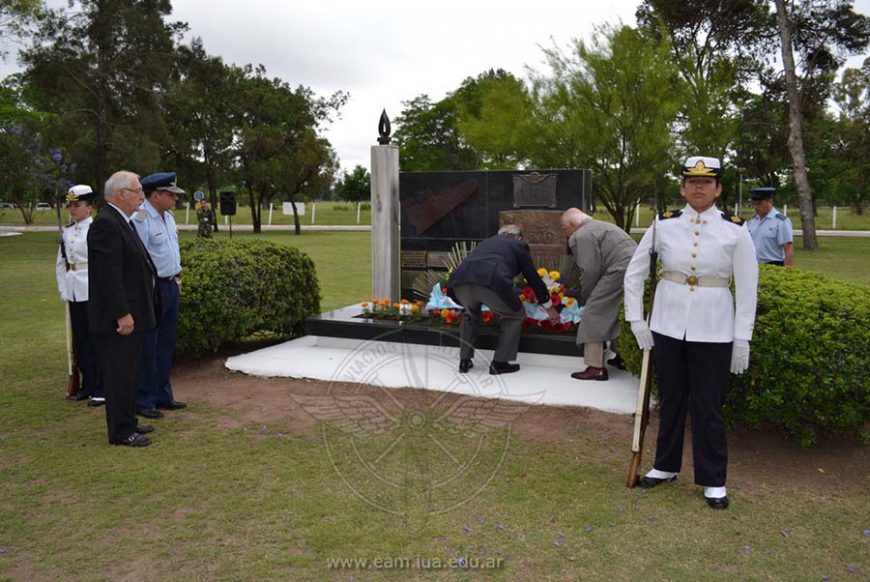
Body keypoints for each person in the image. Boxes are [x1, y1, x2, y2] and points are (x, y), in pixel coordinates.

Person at [623, 156, 758, 510]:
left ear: (718, 188)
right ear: (683, 187)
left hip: (714, 329)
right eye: (692, 181)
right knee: (671, 400)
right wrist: (637, 320)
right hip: (667, 325)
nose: (698, 187)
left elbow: (747, 288)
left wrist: (742, 338)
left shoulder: (735, 229)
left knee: (708, 405)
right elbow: (634, 273)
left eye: (706, 182)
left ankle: (714, 479)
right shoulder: (663, 225)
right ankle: (665, 466)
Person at [87, 171, 158, 447]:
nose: (141, 196)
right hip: (118, 318)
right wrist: (122, 313)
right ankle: (120, 430)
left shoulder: (122, 221)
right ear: (120, 194)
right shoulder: (106, 224)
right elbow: (109, 276)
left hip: (132, 312)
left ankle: (128, 419)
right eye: (137, 191)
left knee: (130, 372)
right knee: (119, 375)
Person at [446, 225, 559, 375]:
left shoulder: (488, 242)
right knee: (514, 315)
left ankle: (464, 361)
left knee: (470, 314)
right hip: (490, 280)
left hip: (459, 282)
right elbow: (532, 277)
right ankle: (500, 363)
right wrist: (549, 306)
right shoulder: (519, 245)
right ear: (519, 237)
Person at [133, 172, 188, 419]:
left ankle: (163, 395)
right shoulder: (141, 218)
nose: (175, 199)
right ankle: (144, 400)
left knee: (166, 342)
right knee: (149, 344)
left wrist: (176, 279)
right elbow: (138, 259)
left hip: (170, 285)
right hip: (152, 288)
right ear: (155, 195)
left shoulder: (168, 217)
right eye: (170, 195)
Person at [560, 207, 637, 381]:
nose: (564, 233)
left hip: (617, 271)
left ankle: (595, 367)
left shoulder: (580, 235)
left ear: (573, 224)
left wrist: (587, 294)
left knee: (593, 313)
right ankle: (622, 357)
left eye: (563, 228)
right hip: (631, 270)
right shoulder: (600, 226)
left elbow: (589, 270)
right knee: (617, 313)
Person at [55, 185, 104, 406]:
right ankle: (87, 384)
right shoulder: (67, 231)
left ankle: (100, 386)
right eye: (70, 205)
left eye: (77, 205)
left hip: (92, 289)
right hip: (74, 289)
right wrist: (64, 289)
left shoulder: (97, 229)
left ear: (90, 207)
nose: (72, 209)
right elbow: (61, 263)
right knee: (81, 340)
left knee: (96, 339)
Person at [746, 186, 794, 266]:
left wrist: (787, 272)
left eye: (759, 204)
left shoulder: (781, 222)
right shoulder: (752, 221)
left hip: (773, 265)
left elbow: (788, 249)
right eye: (753, 204)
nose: (755, 207)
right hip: (753, 265)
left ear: (770, 201)